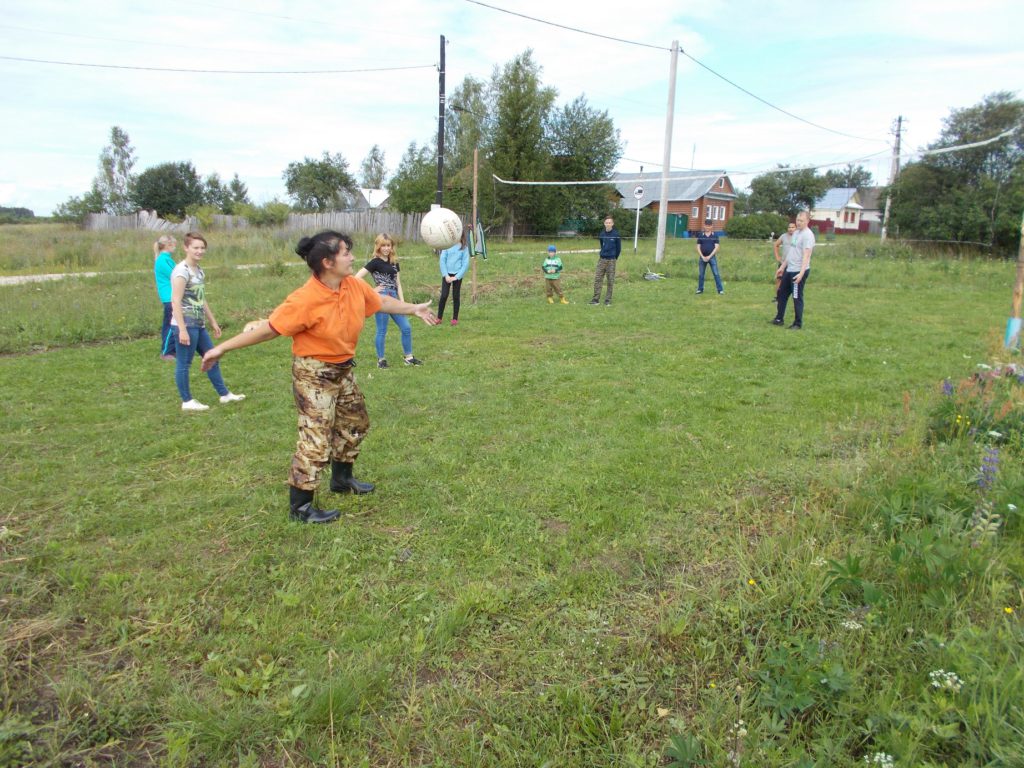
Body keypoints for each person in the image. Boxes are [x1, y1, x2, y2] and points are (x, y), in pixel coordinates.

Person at [200, 231, 439, 524]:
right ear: (327, 262)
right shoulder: (305, 299)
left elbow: (380, 303)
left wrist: (413, 308)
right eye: (345, 252)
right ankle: (300, 506)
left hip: (343, 369)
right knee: (315, 438)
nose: (352, 257)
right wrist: (221, 348)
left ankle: (341, 480)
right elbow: (269, 329)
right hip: (314, 373)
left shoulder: (352, 285)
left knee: (356, 423)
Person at [169, 232, 245, 412]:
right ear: (186, 248)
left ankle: (224, 395)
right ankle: (187, 401)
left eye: (202, 248)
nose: (199, 251)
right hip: (186, 325)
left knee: (212, 357)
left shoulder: (199, 270)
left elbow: (201, 299)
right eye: (195, 247)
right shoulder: (182, 271)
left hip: (198, 324)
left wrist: (212, 321)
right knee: (184, 363)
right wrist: (182, 329)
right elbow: (176, 301)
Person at [354, 233, 423, 368]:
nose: (386, 248)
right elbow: (356, 278)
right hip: (381, 299)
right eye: (383, 245)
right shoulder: (374, 262)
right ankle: (381, 360)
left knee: (406, 327)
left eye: (388, 245)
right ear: (378, 247)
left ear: (392, 247)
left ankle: (409, 357)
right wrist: (372, 291)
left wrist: (403, 302)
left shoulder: (394, 263)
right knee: (382, 330)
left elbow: (398, 283)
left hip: (394, 299)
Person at [772, 210, 815, 329]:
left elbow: (807, 255)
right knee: (781, 293)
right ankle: (779, 318)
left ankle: (797, 323)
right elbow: (792, 252)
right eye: (797, 220)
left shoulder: (808, 235)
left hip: (798, 271)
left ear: (807, 221)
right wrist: (782, 267)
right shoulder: (796, 233)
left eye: (801, 220)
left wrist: (801, 274)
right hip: (789, 269)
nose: (799, 222)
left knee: (796, 297)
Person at [438, 226, 470, 326]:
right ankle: (439, 317)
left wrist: (456, 277)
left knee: (456, 296)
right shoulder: (447, 246)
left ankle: (455, 319)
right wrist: (446, 275)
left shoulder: (464, 248)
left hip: (457, 275)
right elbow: (442, 260)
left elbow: (465, 264)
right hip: (447, 274)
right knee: (444, 295)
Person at [153, 234, 178, 360]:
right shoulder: (162, 260)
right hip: (169, 296)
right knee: (170, 324)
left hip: (173, 296)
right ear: (168, 245)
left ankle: (172, 349)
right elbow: (175, 274)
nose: (175, 248)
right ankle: (167, 352)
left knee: (173, 323)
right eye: (174, 245)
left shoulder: (167, 259)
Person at [590, 215, 621, 305]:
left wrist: (614, 258)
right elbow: (601, 244)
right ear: (604, 223)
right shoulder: (602, 234)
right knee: (598, 279)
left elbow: (618, 249)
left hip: (611, 260)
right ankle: (595, 299)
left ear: (612, 224)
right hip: (602, 260)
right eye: (606, 222)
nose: (608, 224)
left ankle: (608, 300)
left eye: (610, 222)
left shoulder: (616, 234)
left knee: (610, 280)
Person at [695, 218, 724, 295]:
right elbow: (698, 247)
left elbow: (717, 247)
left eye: (709, 226)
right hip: (702, 258)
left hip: (712, 257)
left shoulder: (715, 235)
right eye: (706, 226)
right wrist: (702, 256)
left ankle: (720, 290)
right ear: (704, 226)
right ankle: (700, 289)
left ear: (711, 226)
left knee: (716, 274)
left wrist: (709, 256)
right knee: (701, 274)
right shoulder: (701, 235)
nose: (707, 227)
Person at [772, 221, 797, 302]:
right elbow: (776, 245)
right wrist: (777, 257)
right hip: (783, 263)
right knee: (779, 279)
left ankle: (795, 298)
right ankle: (777, 298)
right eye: (789, 227)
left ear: (795, 228)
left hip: (794, 264)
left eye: (792, 227)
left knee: (794, 281)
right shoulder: (783, 236)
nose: (790, 229)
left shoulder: (798, 236)